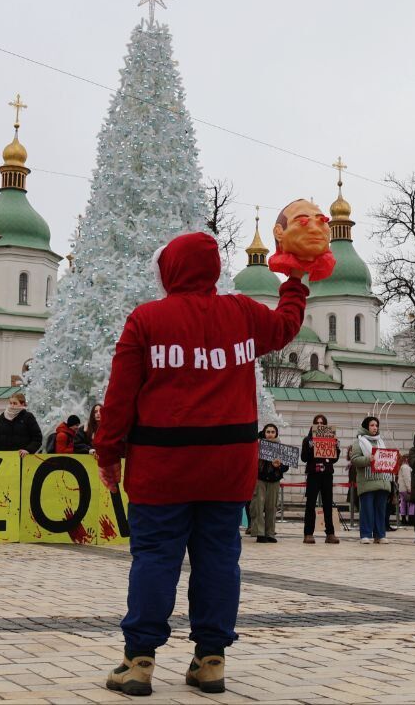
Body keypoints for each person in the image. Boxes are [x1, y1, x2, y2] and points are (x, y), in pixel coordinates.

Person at [94, 231, 307, 696]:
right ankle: (211, 661)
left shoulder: (146, 320)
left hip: (161, 465)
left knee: (154, 558)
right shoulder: (243, 313)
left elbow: (120, 398)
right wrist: (294, 281)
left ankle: (138, 662)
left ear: (169, 270)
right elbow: (286, 326)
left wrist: (108, 454)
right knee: (218, 560)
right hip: (228, 465)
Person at [300, 414, 340, 544]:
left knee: (328, 504)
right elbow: (304, 458)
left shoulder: (331, 439)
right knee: (310, 504)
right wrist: (311, 447)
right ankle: (308, 533)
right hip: (313, 474)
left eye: (322, 423)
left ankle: (330, 533)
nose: (320, 425)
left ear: (326, 425)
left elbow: (333, 459)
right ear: (313, 425)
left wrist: (336, 449)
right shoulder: (307, 439)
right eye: (317, 423)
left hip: (327, 474)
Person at [352, 416, 392, 545]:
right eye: (372, 425)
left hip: (382, 480)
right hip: (367, 480)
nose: (375, 428)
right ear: (366, 427)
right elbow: (355, 459)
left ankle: (380, 534)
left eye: (376, 425)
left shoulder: (381, 441)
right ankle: (365, 534)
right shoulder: (359, 442)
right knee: (367, 509)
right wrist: (368, 459)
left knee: (381, 509)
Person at [250, 424, 288, 543]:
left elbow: (286, 466)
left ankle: (270, 533)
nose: (270, 434)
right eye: (268, 431)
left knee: (272, 507)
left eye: (272, 432)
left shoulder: (281, 447)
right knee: (258, 506)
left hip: (274, 480)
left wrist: (279, 466)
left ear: (276, 433)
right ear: (264, 433)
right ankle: (260, 533)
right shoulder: (258, 446)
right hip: (260, 479)